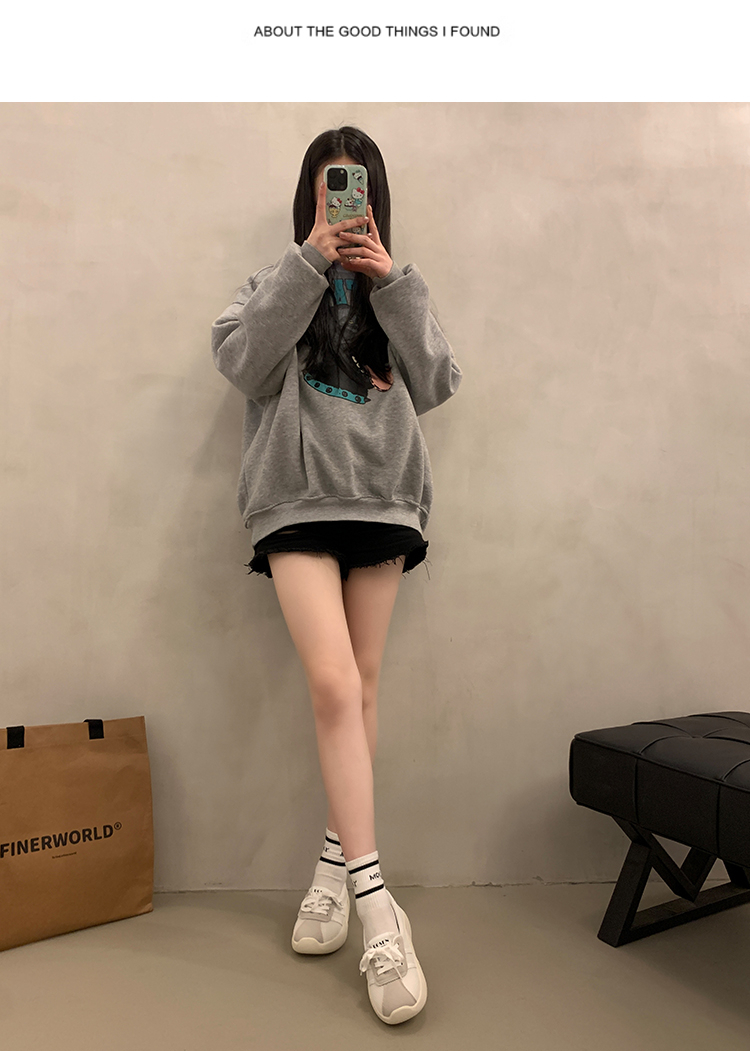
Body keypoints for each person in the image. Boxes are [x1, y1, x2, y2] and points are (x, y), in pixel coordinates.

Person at [210, 125, 462, 1025]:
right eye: (329, 190)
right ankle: (377, 905)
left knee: (362, 686)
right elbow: (242, 363)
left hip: (384, 502)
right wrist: (310, 261)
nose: (343, 205)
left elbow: (437, 382)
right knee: (332, 682)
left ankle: (329, 868)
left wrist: (393, 283)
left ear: (375, 200)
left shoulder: (398, 290)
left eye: (354, 191)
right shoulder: (273, 284)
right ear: (311, 198)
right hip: (295, 504)